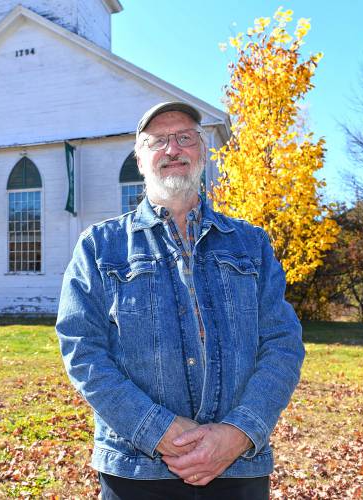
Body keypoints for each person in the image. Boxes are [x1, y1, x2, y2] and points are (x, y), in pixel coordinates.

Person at [55, 101, 304, 499]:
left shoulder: (251, 244)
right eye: (158, 141)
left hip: (238, 469)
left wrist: (239, 433)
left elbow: (282, 344)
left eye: (185, 138)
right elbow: (82, 351)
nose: (173, 149)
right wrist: (157, 431)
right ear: (140, 159)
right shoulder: (99, 247)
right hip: (137, 471)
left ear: (202, 152)